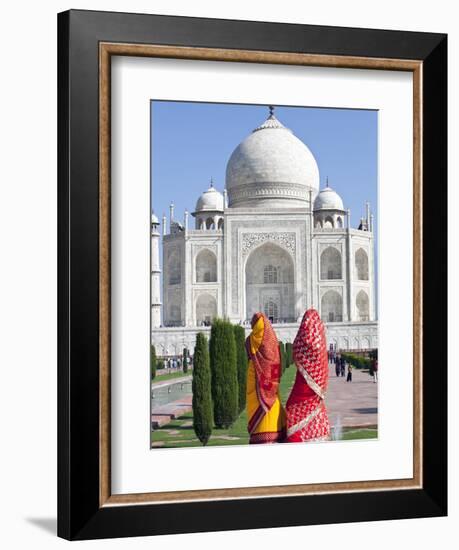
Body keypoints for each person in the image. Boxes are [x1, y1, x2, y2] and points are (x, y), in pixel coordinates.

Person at [285, 308, 330, 443]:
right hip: (315, 391)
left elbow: (296, 347)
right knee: (314, 406)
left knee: (293, 407)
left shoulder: (302, 341)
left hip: (303, 388)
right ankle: (316, 434)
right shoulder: (320, 340)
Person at [245, 312, 286, 444]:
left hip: (256, 384)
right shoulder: (272, 342)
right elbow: (276, 367)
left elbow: (247, 351)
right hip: (272, 387)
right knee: (272, 409)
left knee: (260, 409)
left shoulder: (251, 340)